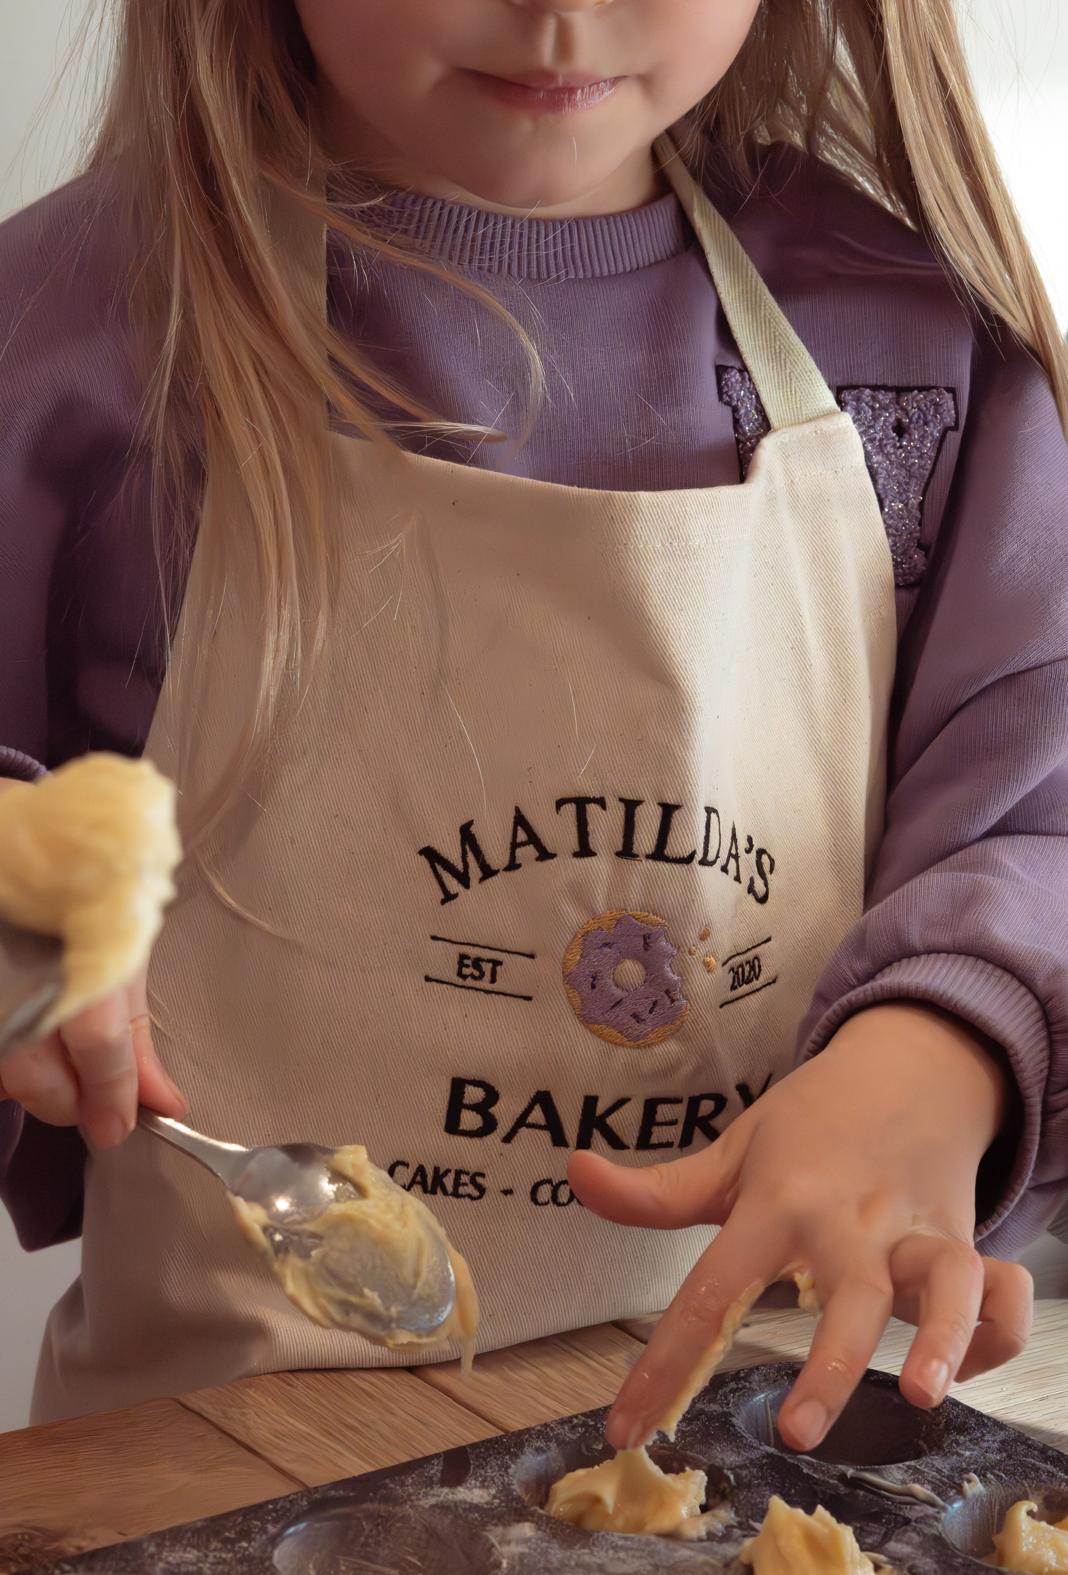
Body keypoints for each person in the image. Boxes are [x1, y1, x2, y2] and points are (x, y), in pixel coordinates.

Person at [0, 0, 1064, 1439]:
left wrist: (941, 1052)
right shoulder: (78, 327)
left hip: (788, 1460)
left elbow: (1040, 820)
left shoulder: (916, 344)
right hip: (221, 1472)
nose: (562, 12)